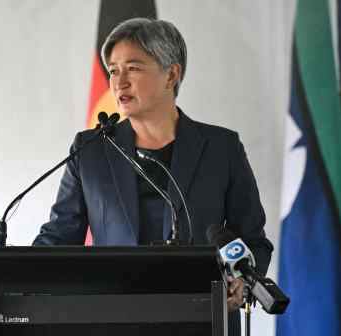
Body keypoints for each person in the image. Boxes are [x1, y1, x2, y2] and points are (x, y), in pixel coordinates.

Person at [33, 17, 273, 335]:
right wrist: (15, 274)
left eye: (133, 68)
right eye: (113, 70)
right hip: (112, 322)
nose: (119, 82)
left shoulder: (221, 149)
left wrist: (241, 280)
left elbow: (253, 240)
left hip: (202, 321)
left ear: (171, 75)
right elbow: (60, 237)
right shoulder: (90, 150)